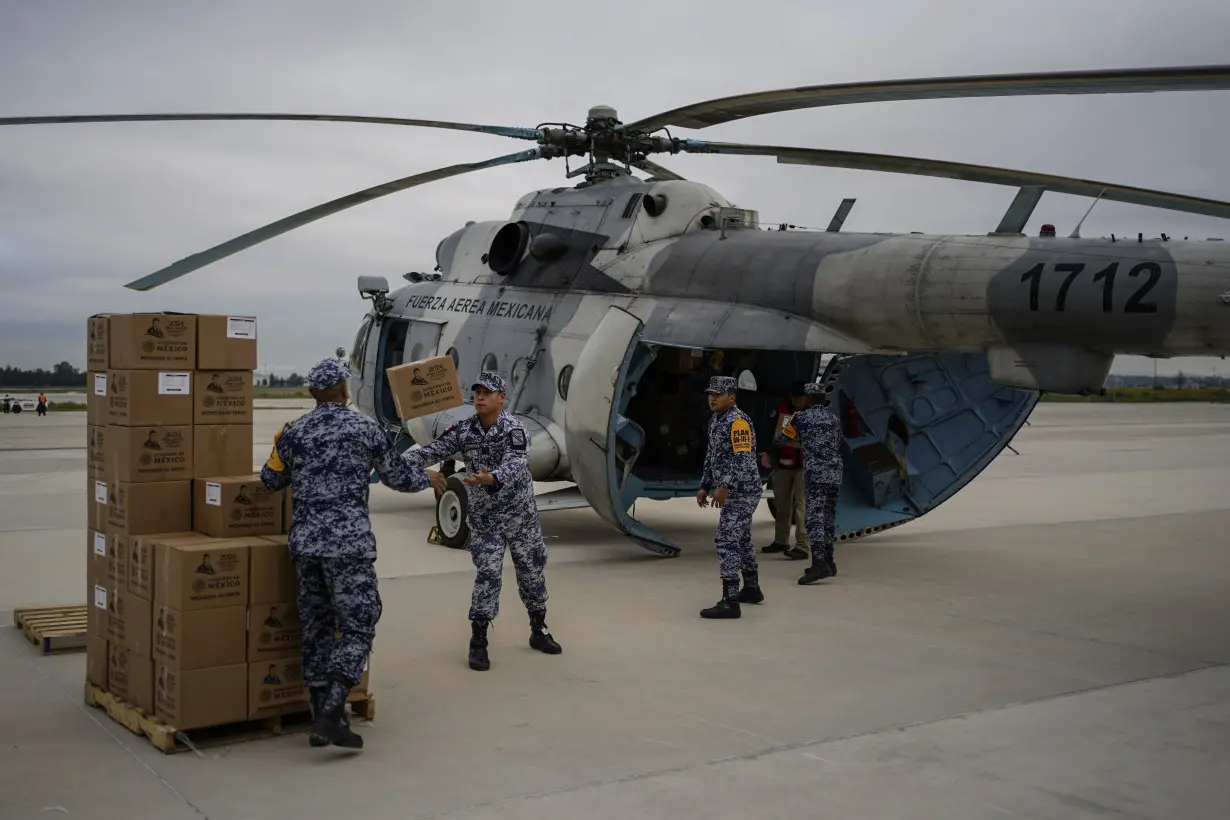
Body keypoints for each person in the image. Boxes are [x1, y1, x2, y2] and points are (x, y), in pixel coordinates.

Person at [260, 357, 444, 749]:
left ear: (311, 394)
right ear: (344, 390)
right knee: (360, 621)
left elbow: (271, 480)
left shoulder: (293, 432)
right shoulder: (364, 427)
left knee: (317, 626)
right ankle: (331, 710)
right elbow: (396, 476)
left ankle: (318, 719)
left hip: (306, 545)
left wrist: (281, 448)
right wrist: (427, 478)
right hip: (348, 545)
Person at [406, 371, 561, 671]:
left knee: (531, 574)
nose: (479, 396)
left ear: (501, 398)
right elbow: (432, 451)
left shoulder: (516, 430)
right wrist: (398, 465)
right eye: (476, 391)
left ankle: (538, 630)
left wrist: (493, 477)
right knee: (488, 576)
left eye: (486, 392)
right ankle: (478, 642)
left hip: (520, 518)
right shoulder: (464, 430)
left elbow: (517, 463)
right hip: (486, 519)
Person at [695, 375, 764, 619]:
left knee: (726, 540)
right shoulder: (717, 420)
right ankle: (752, 589)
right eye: (710, 394)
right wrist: (705, 484)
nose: (712, 398)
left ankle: (730, 601)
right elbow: (711, 455)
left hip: (743, 491)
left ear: (732, 397)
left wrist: (725, 485)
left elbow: (743, 459)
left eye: (718, 394)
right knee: (742, 538)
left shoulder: (738, 422)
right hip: (733, 491)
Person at [780, 382, 845, 585]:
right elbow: (838, 442)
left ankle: (819, 564)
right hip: (835, 472)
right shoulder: (833, 419)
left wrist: (804, 442)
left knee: (813, 518)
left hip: (816, 474)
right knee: (828, 516)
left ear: (807, 398)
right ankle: (829, 560)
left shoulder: (800, 418)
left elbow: (782, 438)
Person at [759, 381, 809, 560]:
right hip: (783, 465)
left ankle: (803, 546)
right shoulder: (780, 411)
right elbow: (768, 432)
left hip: (805, 467)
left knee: (801, 506)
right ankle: (781, 541)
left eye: (801, 397)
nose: (798, 400)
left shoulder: (813, 414)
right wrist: (767, 452)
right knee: (782, 504)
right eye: (795, 396)